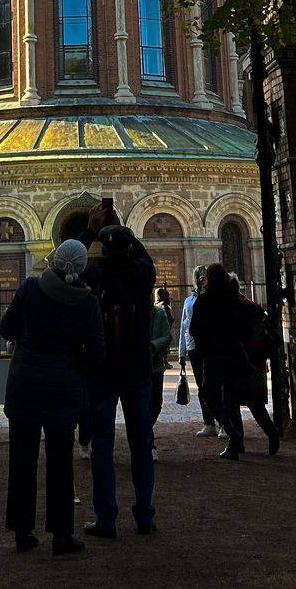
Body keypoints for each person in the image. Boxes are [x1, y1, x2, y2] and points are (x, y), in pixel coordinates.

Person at [0, 238, 105, 556]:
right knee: (61, 463)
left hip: (26, 387)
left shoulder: (30, 288)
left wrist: (26, 338)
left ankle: (22, 532)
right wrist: (75, 361)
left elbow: (6, 328)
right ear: (82, 267)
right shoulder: (88, 303)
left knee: (22, 461)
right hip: (63, 390)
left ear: (55, 260)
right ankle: (61, 536)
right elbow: (97, 356)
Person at [77, 206, 157, 537]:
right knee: (141, 444)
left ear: (105, 251)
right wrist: (122, 229)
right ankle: (145, 516)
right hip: (137, 372)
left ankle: (106, 518)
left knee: (102, 446)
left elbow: (67, 260)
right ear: (129, 247)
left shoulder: (95, 276)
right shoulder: (143, 276)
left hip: (103, 373)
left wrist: (91, 229)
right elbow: (144, 257)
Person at [189, 264, 256, 459]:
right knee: (230, 399)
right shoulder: (234, 299)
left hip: (213, 355)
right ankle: (236, 444)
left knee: (207, 392)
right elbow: (245, 327)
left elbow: (194, 330)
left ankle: (230, 429)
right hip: (235, 354)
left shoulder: (204, 300)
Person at [227, 277, 280, 454]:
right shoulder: (253, 306)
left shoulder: (231, 309)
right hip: (257, 362)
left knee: (232, 402)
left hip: (238, 361)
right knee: (255, 404)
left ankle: (238, 442)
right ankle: (272, 432)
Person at [178, 265, 221, 437]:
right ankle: (208, 422)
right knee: (201, 386)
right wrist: (181, 352)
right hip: (193, 347)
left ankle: (223, 422)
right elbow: (184, 326)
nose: (199, 279)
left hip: (209, 346)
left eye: (203, 276)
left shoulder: (213, 297)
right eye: (197, 276)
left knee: (214, 385)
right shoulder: (188, 301)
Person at [150, 293, 172, 461]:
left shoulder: (159, 313)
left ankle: (144, 430)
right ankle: (149, 443)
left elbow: (167, 336)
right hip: (140, 367)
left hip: (156, 365)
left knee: (156, 403)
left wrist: (153, 346)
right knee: (144, 404)